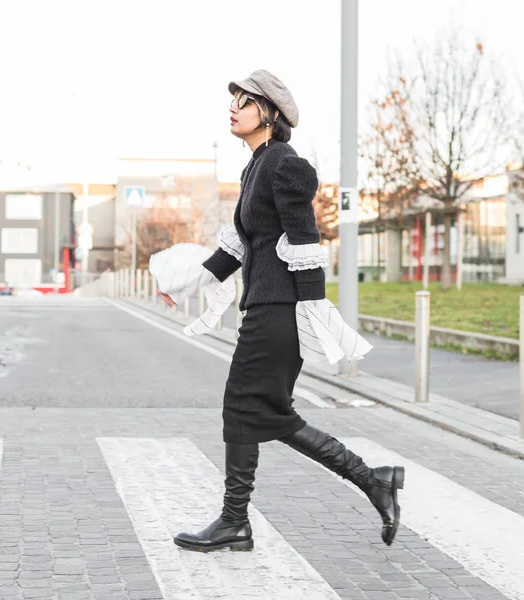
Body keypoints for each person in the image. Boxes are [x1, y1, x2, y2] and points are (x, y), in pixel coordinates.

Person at [154, 69, 404, 553]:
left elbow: (304, 239)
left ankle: (239, 519)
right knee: (263, 412)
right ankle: (368, 480)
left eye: (244, 102)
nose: (233, 108)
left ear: (268, 114)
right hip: (267, 306)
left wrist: (312, 309)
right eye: (233, 101)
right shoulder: (255, 168)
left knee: (250, 408)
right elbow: (235, 251)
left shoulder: (283, 164)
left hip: (281, 309)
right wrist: (181, 284)